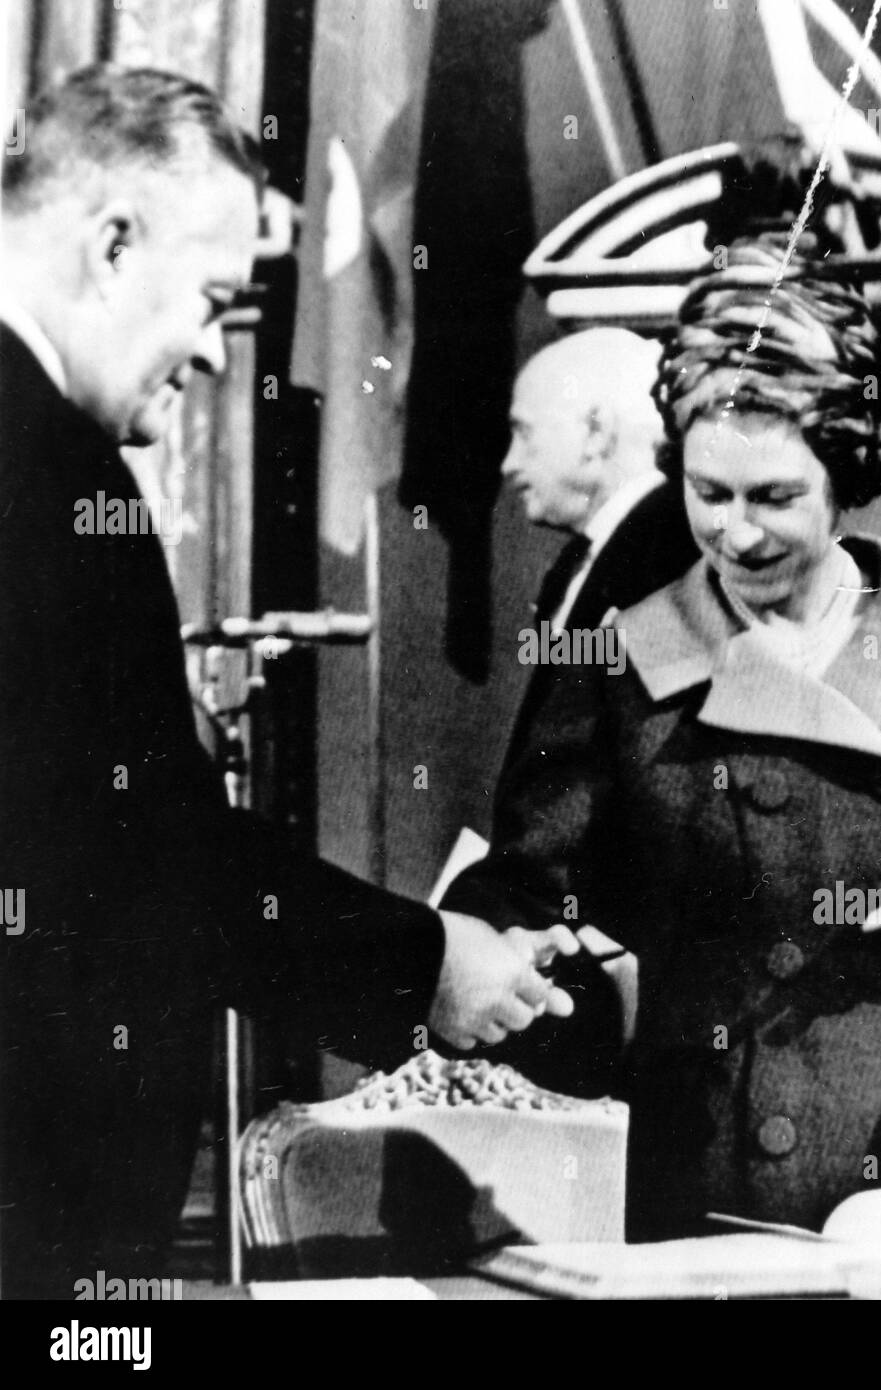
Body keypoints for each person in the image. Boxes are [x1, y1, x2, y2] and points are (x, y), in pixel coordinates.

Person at [0, 64, 576, 1298]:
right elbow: (145, 853)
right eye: (209, 299)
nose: (214, 350)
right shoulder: (50, 475)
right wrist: (423, 963)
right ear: (111, 242)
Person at [444, 236, 881, 1240]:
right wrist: (525, 954)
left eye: (774, 498)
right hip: (716, 1189)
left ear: (846, 481)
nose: (737, 535)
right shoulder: (621, 663)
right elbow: (519, 895)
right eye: (708, 494)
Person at [501, 327, 697, 756]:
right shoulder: (583, 560)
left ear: (596, 431)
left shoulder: (669, 558)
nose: (509, 464)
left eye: (525, 433)